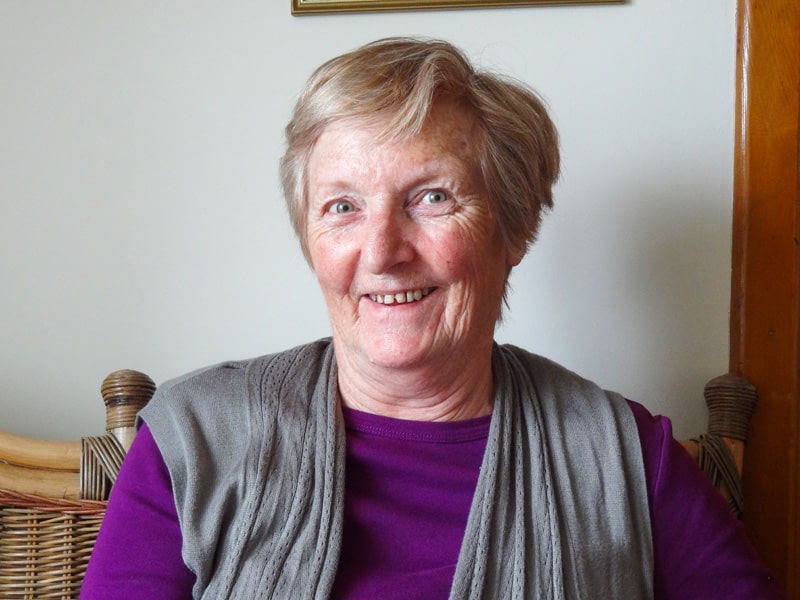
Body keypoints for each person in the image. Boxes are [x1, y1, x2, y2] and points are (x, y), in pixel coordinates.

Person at [81, 37, 785, 599]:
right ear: (310, 239)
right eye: (342, 207)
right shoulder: (193, 440)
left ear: (514, 229)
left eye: (432, 198)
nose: (382, 252)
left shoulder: (627, 457)